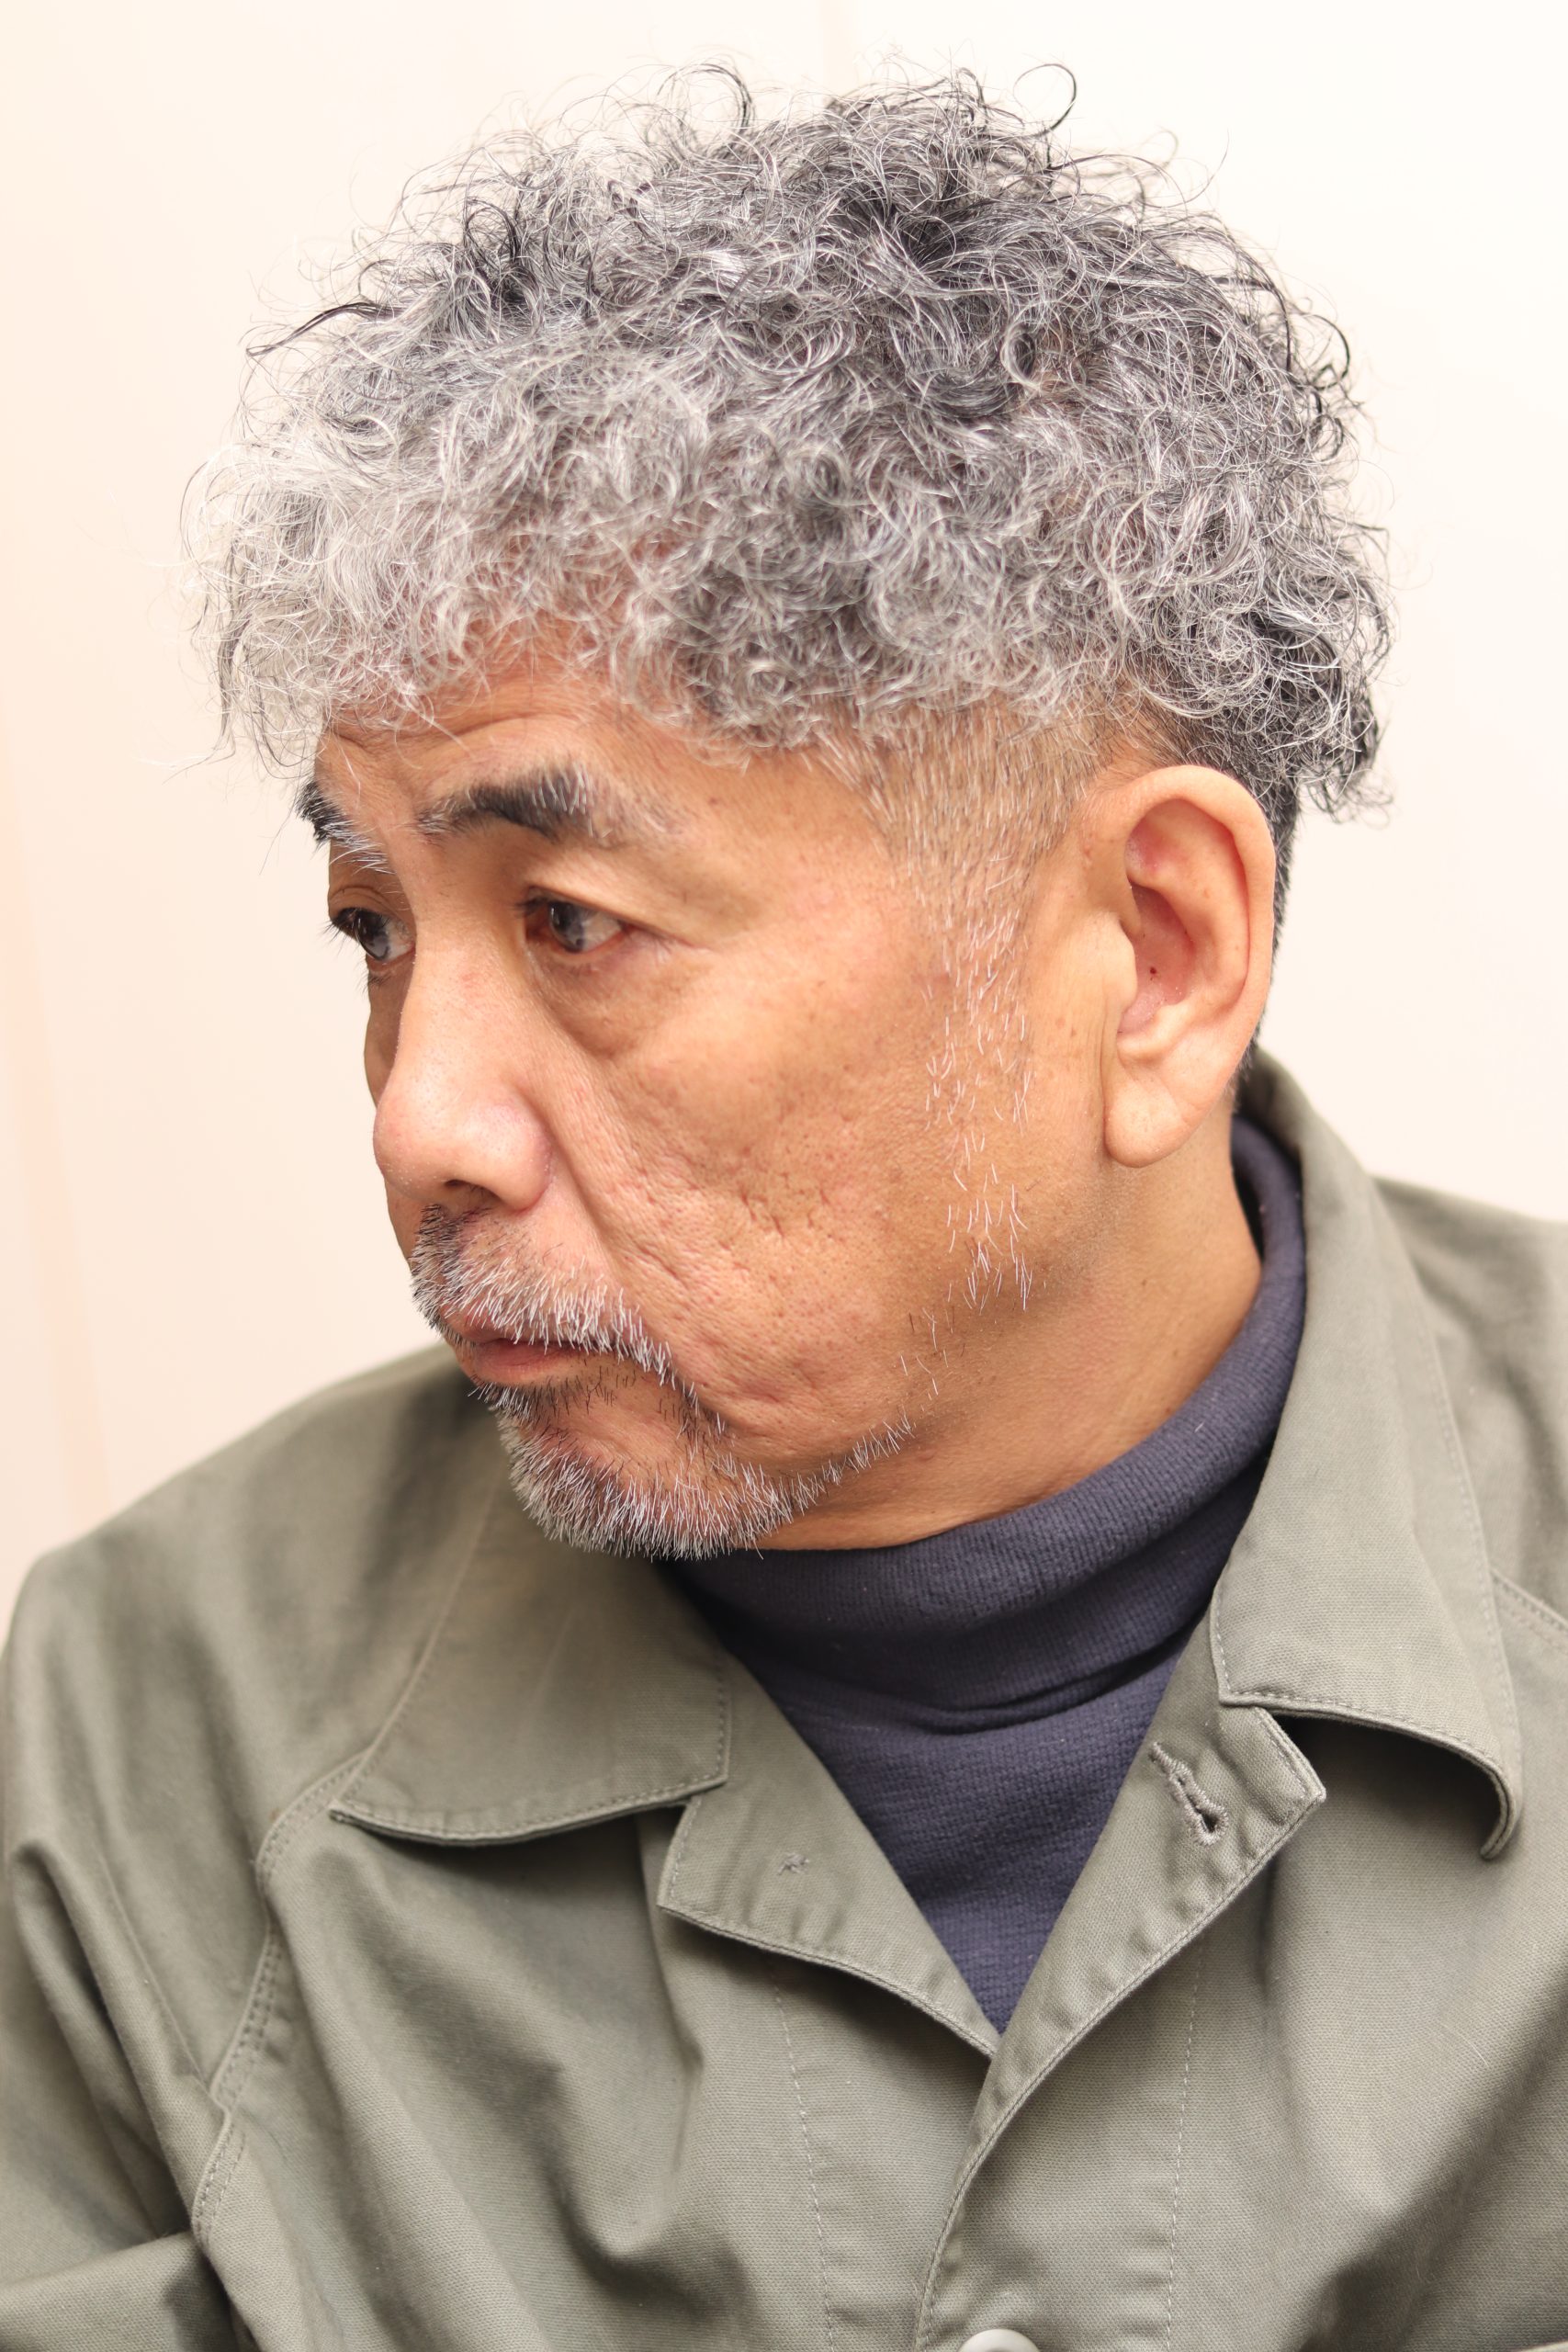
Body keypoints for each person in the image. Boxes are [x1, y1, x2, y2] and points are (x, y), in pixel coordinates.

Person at [3, 70, 1564, 2352]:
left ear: (1150, 953)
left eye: (571, 922)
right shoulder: (139, 1730)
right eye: (373, 928)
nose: (419, 1116)